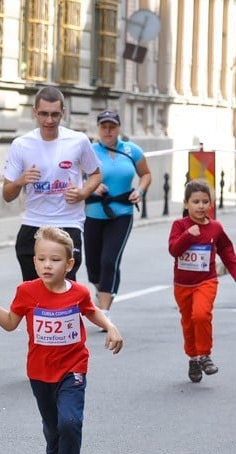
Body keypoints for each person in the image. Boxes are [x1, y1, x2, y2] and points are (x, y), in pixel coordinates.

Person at [0, 226, 122, 454]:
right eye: (41, 259)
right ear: (34, 261)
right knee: (52, 426)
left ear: (69, 264)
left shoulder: (78, 293)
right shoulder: (27, 291)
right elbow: (9, 323)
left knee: (70, 421)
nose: (47, 265)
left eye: (54, 259)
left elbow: (91, 311)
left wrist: (110, 327)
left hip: (73, 368)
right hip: (40, 372)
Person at [3, 87, 102, 282]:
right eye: (44, 114)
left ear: (63, 113)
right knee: (33, 293)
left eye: (55, 114)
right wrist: (21, 180)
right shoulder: (21, 144)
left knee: (64, 292)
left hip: (68, 224)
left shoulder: (78, 141)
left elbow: (96, 175)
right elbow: (7, 194)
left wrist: (83, 193)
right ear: (35, 113)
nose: (49, 120)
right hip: (33, 224)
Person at [169, 180, 236, 382]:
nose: (201, 206)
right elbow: (174, 250)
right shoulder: (180, 225)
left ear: (211, 204)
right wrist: (187, 235)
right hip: (183, 284)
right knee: (188, 321)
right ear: (186, 204)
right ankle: (193, 358)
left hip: (206, 281)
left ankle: (204, 355)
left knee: (201, 315)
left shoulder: (215, 228)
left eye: (205, 201)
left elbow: (226, 249)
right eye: (195, 202)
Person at [84, 109, 152, 319]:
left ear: (119, 128)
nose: (108, 131)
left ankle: (104, 311)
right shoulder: (89, 150)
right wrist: (90, 187)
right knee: (93, 265)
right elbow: (73, 178)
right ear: (98, 129)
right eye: (104, 127)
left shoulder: (132, 150)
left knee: (109, 260)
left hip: (121, 213)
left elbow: (146, 174)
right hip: (93, 213)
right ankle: (102, 287)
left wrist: (139, 191)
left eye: (112, 127)